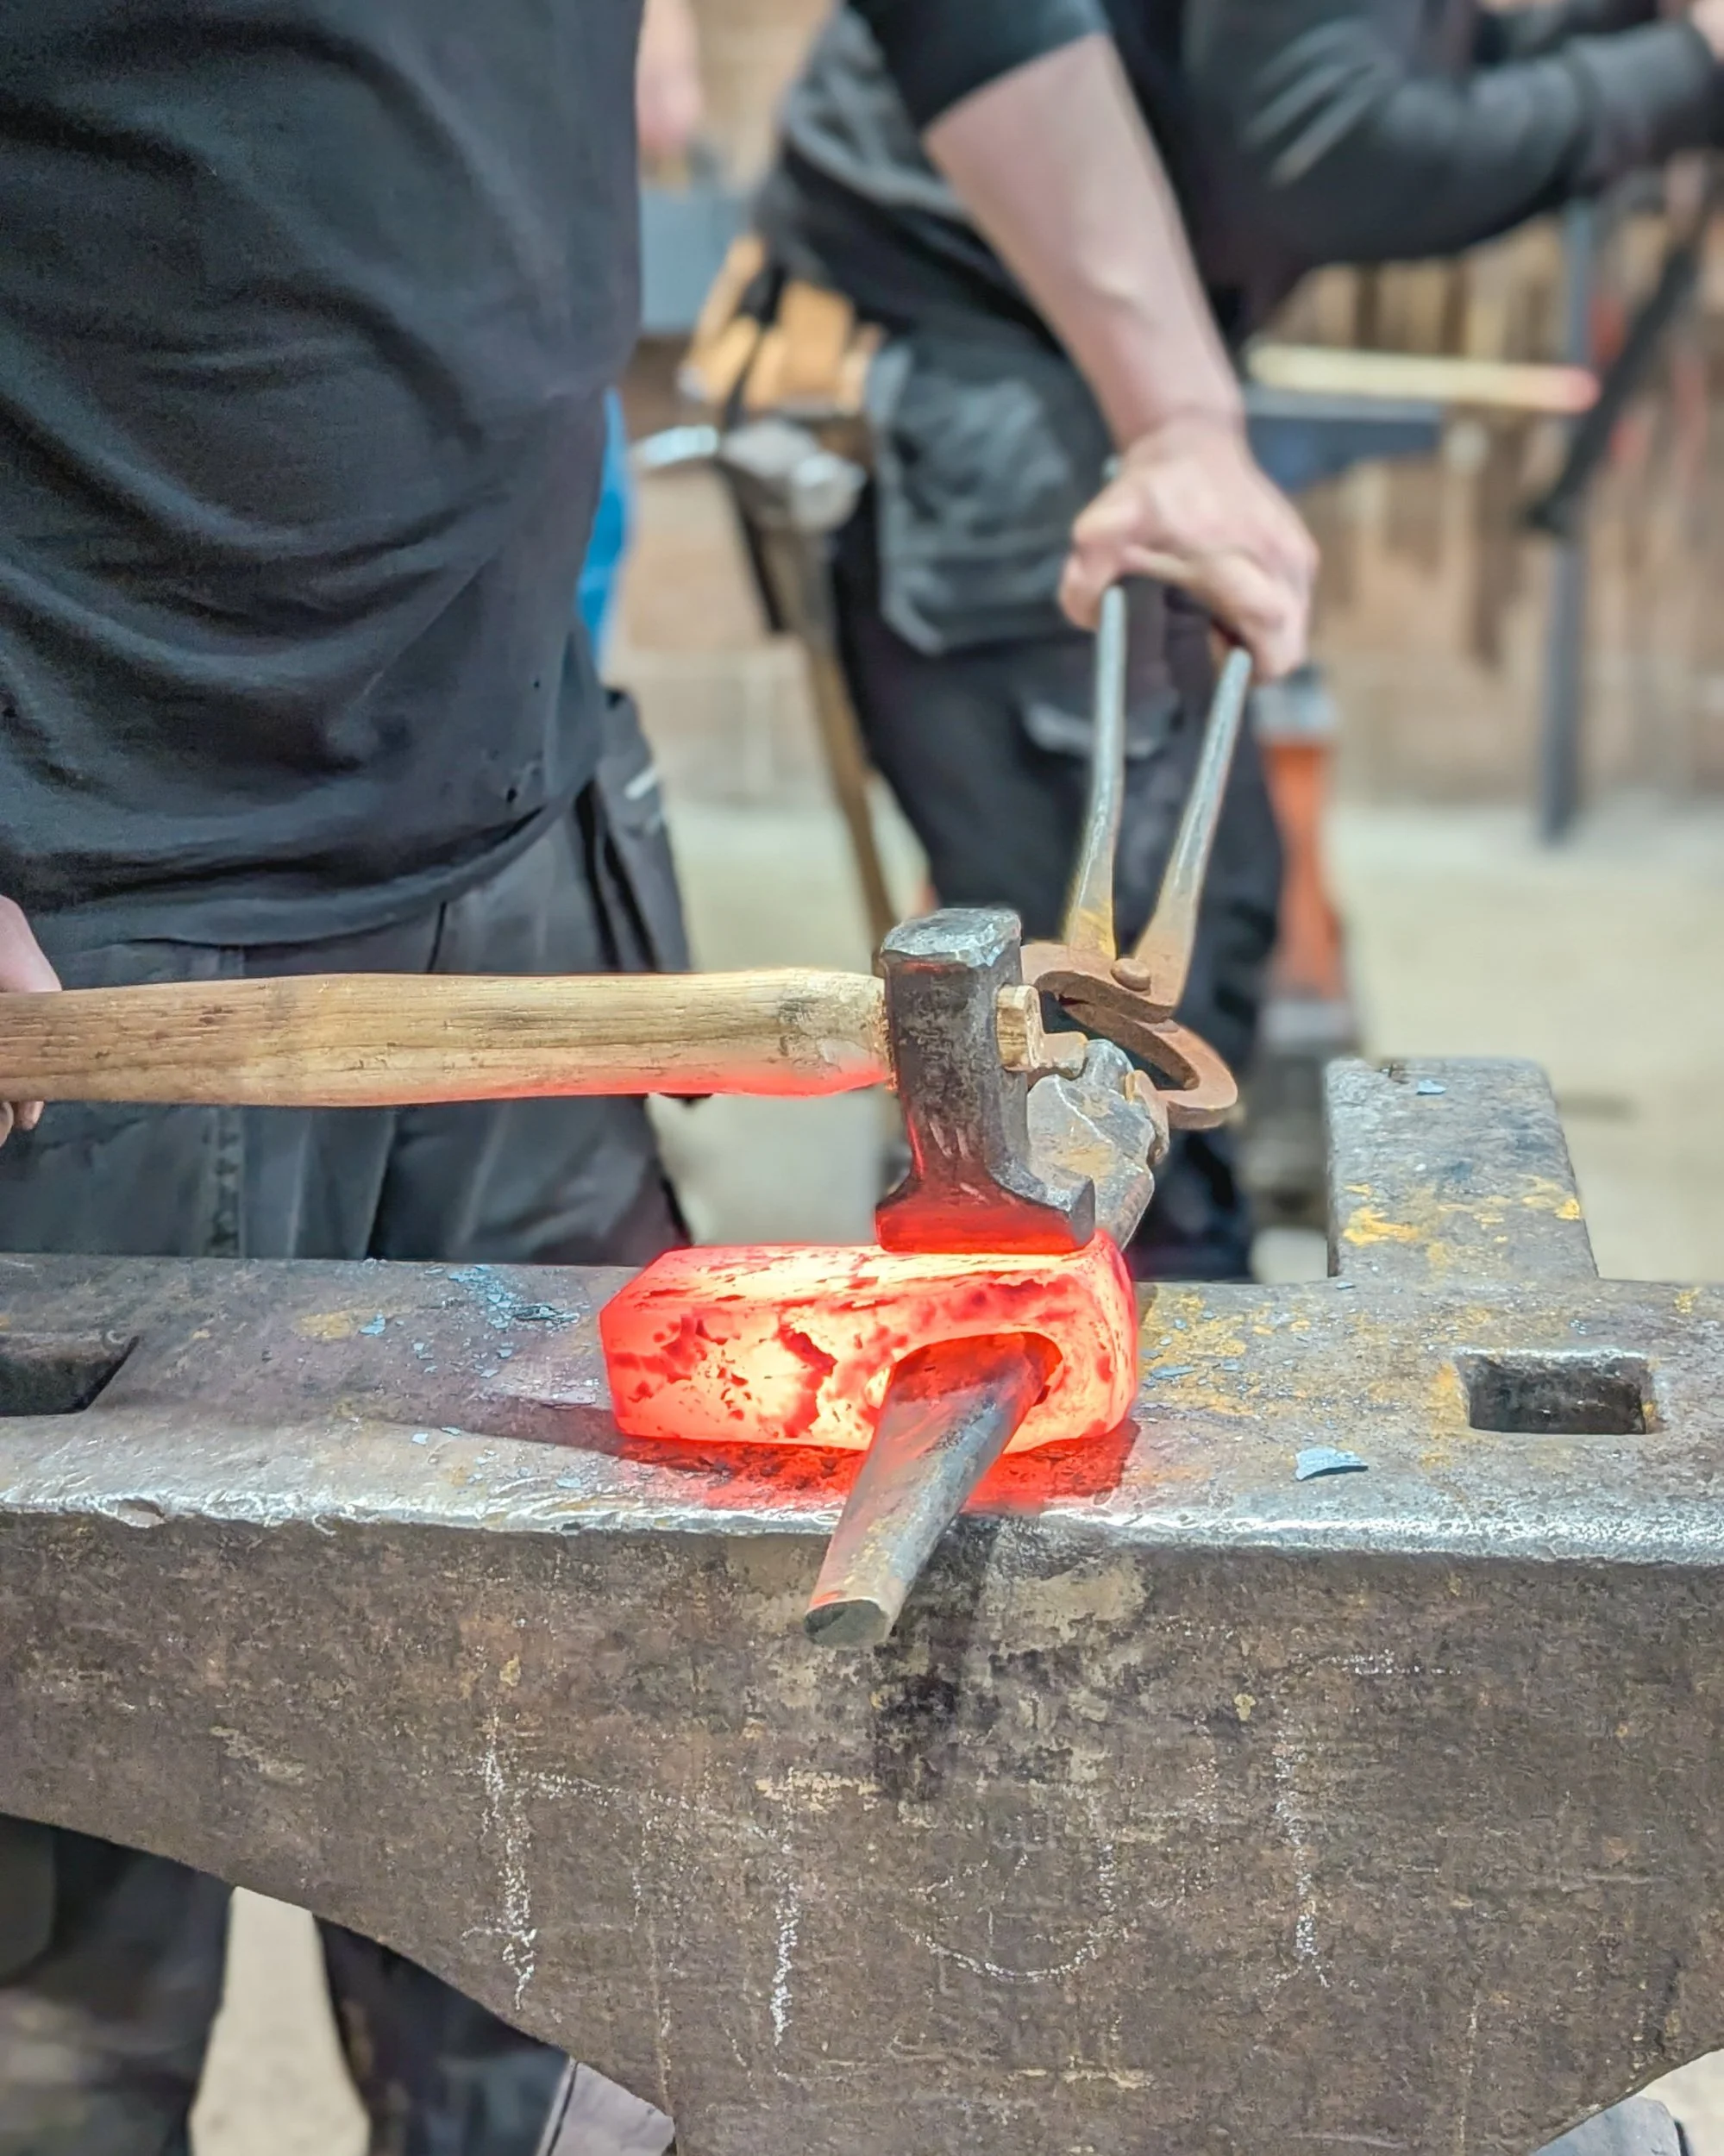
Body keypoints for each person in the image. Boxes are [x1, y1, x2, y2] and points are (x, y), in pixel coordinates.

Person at [0, 5, 1312, 2151]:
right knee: (63, 1925)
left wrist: (1178, 410)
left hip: (521, 846)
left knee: (554, 1844)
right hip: (87, 928)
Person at [737, 0, 1724, 1276]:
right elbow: (1329, 143)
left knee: (1195, 951)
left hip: (1038, 358)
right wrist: (1682, 69)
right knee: (1106, 1026)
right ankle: (1121, 1360)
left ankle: (1145, 1316)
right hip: (975, 359)